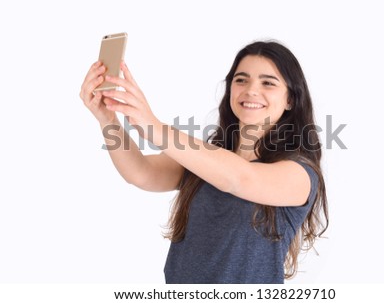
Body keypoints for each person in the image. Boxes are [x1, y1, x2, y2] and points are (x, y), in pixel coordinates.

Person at [80, 40, 329, 284]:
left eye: (268, 83)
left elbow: (240, 179)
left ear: (290, 100)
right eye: (241, 80)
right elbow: (141, 173)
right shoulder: (205, 159)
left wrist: (152, 125)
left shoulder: (300, 173)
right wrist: (108, 119)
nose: (251, 90)